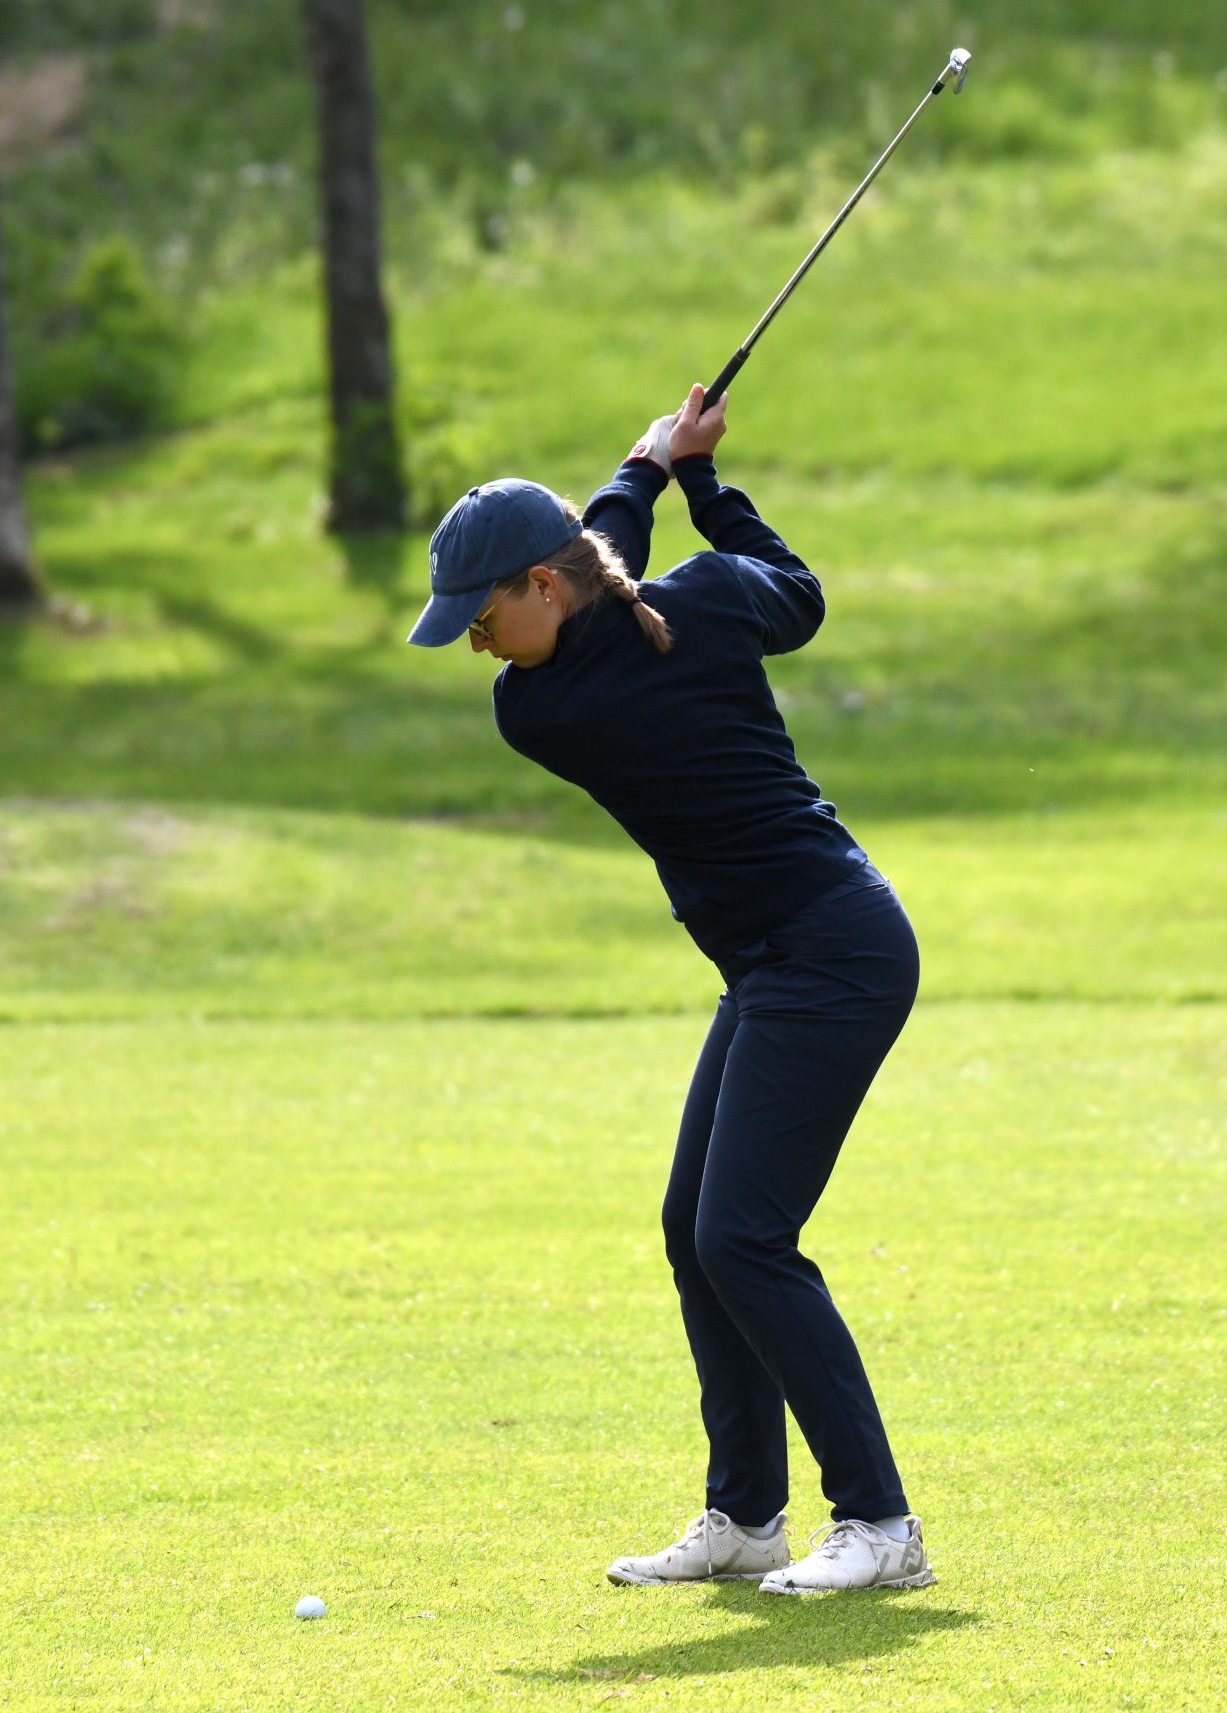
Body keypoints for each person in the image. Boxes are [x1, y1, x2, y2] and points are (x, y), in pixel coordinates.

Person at [407, 385, 935, 1595]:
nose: (475, 645)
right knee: (695, 1232)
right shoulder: (686, 612)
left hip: (833, 953)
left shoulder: (548, 698)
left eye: (480, 616)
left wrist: (648, 474)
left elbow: (607, 566)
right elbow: (790, 591)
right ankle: (745, 1517)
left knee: (742, 1236)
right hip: (777, 959)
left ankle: (880, 1525)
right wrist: (693, 482)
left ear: (541, 586)